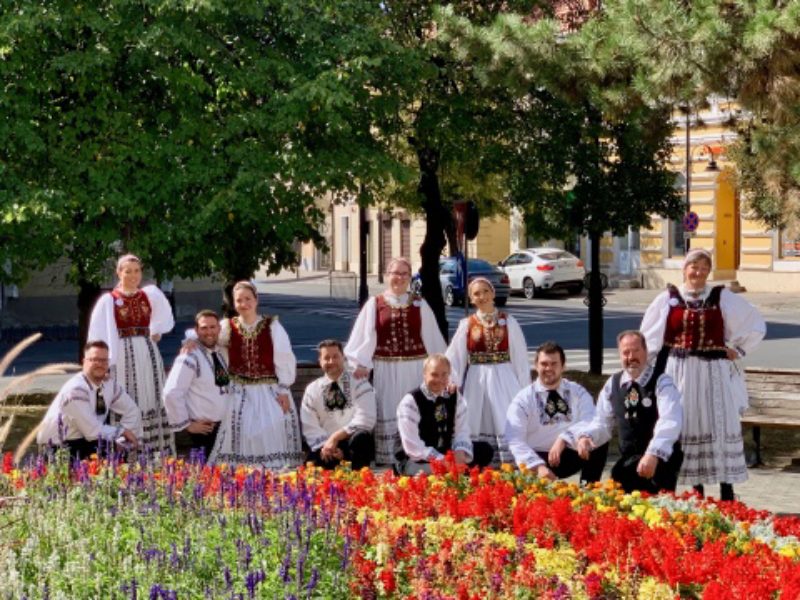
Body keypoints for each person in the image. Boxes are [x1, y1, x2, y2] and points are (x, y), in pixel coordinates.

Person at [641, 248, 766, 501]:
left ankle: (726, 488)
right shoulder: (668, 298)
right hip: (680, 371)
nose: (697, 272)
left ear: (709, 271)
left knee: (718, 426)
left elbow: (754, 321)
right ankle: (696, 490)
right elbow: (649, 336)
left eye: (703, 267)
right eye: (693, 267)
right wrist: (646, 370)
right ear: (684, 269)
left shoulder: (721, 296)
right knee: (686, 425)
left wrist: (738, 349)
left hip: (713, 372)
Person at [345, 257, 447, 464]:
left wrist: (441, 369)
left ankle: (417, 454)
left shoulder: (420, 304)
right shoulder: (375, 304)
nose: (399, 278)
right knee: (389, 409)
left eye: (404, 274)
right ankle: (390, 456)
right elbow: (364, 336)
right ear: (387, 275)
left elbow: (433, 339)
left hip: (416, 368)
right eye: (395, 273)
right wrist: (361, 363)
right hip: (386, 367)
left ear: (410, 277)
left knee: (416, 410)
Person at [204, 281, 303, 469]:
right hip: (239, 391)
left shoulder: (272, 326)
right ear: (234, 304)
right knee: (242, 431)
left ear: (256, 300)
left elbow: (284, 357)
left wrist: (283, 388)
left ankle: (272, 472)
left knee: (271, 426)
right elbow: (208, 338)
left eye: (248, 299)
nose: (244, 304)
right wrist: (192, 341)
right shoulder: (227, 326)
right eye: (239, 300)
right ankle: (245, 473)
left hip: (269, 390)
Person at [88, 254, 175, 454]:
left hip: (147, 352)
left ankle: (153, 450)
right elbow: (98, 333)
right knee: (127, 396)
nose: (133, 275)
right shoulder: (109, 300)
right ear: (119, 272)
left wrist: (155, 331)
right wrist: (103, 364)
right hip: (122, 355)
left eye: (136, 271)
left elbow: (162, 321)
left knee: (150, 396)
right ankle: (126, 448)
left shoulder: (149, 295)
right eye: (128, 271)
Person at [577, 331, 683, 494]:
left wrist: (653, 454)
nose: (631, 357)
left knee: (659, 512)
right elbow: (602, 422)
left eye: (636, 351)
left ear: (646, 352)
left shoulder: (662, 382)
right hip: (628, 460)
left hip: (660, 461)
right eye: (626, 352)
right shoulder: (613, 383)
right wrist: (587, 436)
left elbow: (670, 421)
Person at [446, 277, 530, 464]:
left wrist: (524, 389)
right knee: (476, 416)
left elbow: (520, 358)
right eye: (476, 293)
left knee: (505, 415)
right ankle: (480, 462)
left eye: (485, 291)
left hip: (505, 376)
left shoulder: (509, 322)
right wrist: (453, 380)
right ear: (471, 299)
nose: (482, 296)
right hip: (477, 379)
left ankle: (510, 463)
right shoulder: (467, 324)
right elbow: (455, 356)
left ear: (493, 293)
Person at [505, 341, 607, 483]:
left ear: (563, 366)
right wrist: (538, 466)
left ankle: (588, 490)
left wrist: (564, 439)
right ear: (536, 366)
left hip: (569, 453)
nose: (548, 368)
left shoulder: (577, 391)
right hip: (537, 458)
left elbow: (590, 418)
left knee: (598, 437)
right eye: (544, 364)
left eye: (554, 364)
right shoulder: (523, 399)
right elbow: (514, 437)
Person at [37, 341, 141, 460]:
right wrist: (121, 432)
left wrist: (121, 441)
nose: (100, 364)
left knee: (117, 455)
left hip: (88, 442)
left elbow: (132, 411)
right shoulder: (76, 389)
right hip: (60, 447)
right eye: (95, 360)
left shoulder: (109, 385)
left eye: (104, 360)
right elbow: (91, 431)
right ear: (84, 362)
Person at [394, 354, 493, 475]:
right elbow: (412, 446)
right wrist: (443, 460)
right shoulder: (411, 401)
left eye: (444, 374)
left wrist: (460, 451)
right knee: (432, 469)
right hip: (416, 458)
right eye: (434, 374)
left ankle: (454, 470)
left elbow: (462, 430)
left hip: (443, 451)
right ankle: (452, 471)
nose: (439, 380)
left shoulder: (453, 396)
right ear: (424, 374)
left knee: (485, 450)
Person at [163, 310, 230, 460]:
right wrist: (187, 425)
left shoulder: (221, 352)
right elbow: (171, 392)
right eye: (204, 328)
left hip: (224, 428)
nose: (209, 332)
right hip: (204, 431)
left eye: (213, 327)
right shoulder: (190, 356)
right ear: (196, 330)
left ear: (219, 328)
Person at [300, 339, 376, 470]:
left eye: (335, 357)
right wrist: (328, 445)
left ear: (343, 358)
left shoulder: (359, 383)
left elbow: (366, 419)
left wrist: (336, 438)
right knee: (311, 465)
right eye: (326, 358)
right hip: (325, 447)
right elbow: (309, 425)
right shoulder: (312, 389)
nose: (331, 362)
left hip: (351, 444)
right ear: (320, 361)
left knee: (362, 438)